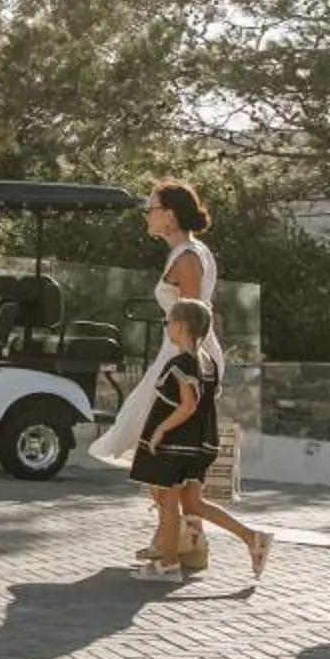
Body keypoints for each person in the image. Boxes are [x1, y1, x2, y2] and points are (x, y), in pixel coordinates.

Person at [90, 180, 219, 568]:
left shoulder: (187, 256)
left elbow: (194, 318)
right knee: (168, 450)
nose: (147, 214)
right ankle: (181, 542)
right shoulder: (186, 253)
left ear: (170, 215)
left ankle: (173, 543)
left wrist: (186, 368)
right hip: (178, 354)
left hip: (184, 357)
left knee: (153, 443)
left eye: (152, 207)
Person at [129, 298, 271, 582]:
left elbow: (188, 405)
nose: (166, 326)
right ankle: (252, 538)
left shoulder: (182, 362)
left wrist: (159, 430)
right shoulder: (207, 362)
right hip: (200, 445)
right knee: (193, 504)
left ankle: (169, 565)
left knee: (169, 500)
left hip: (177, 444)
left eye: (167, 322)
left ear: (180, 326)